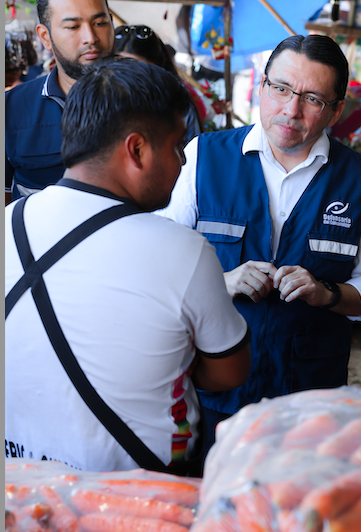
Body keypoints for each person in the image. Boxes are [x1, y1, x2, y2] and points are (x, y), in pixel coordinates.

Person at [5, 58, 251, 475]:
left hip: (20, 487)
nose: (183, 162)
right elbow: (229, 372)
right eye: (177, 146)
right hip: (142, 493)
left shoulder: (7, 223)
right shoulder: (183, 251)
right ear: (137, 150)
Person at [158, 34, 361, 448]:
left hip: (309, 396)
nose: (291, 109)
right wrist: (222, 282)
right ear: (261, 86)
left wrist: (328, 293)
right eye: (282, 89)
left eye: (313, 99)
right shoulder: (205, 157)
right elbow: (159, 260)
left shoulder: (360, 179)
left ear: (336, 110)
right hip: (211, 387)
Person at [5, 0, 114, 201]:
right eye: (73, 27)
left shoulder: (149, 99)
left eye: (100, 23)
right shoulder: (10, 109)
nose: (90, 38)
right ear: (45, 37)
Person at [113, 24, 203, 144]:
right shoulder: (102, 103)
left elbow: (193, 149)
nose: (131, 78)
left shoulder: (178, 103)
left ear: (159, 68)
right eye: (123, 69)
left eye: (141, 71)